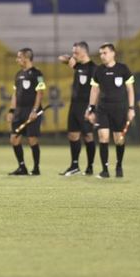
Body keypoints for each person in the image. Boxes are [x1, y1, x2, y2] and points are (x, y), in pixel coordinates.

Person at [85, 43, 135, 178]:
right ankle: (104, 170)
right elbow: (94, 90)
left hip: (119, 108)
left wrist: (131, 108)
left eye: (105, 53)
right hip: (103, 109)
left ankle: (119, 166)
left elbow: (130, 89)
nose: (102, 56)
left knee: (119, 139)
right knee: (103, 137)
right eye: (100, 53)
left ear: (113, 53)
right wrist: (91, 108)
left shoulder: (123, 69)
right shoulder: (98, 70)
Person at [58, 41, 97, 176]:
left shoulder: (93, 68)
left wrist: (92, 109)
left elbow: (97, 90)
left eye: (76, 52)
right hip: (74, 105)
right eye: (73, 52)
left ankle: (90, 166)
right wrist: (70, 58)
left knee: (88, 136)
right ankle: (74, 166)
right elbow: (61, 58)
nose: (74, 54)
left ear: (84, 52)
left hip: (86, 106)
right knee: (73, 135)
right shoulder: (77, 65)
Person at [6, 48, 46, 176]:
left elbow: (40, 93)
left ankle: (36, 168)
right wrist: (11, 110)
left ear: (26, 58)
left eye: (19, 57)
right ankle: (22, 167)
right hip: (19, 111)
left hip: (32, 111)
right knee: (14, 139)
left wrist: (35, 110)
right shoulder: (18, 74)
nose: (17, 60)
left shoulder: (38, 74)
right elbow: (15, 94)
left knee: (32, 139)